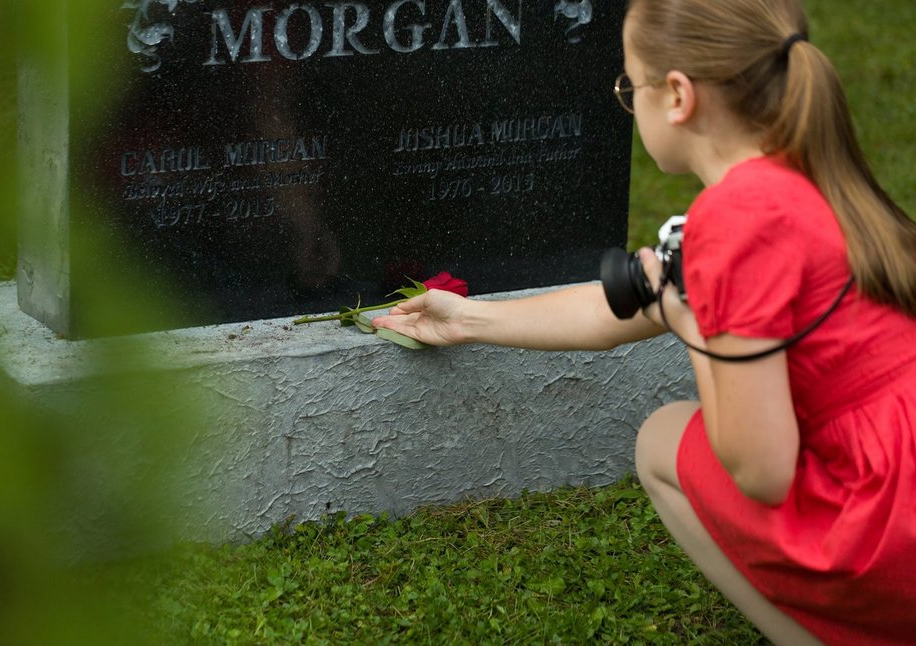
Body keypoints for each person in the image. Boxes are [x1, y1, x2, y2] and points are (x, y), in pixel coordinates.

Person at [373, 0, 916, 643]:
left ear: (678, 97)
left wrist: (694, 328)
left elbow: (761, 472)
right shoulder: (802, 172)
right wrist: (466, 319)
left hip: (886, 523)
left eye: (630, 86)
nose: (627, 101)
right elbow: (621, 305)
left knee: (663, 441)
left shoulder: (736, 225)